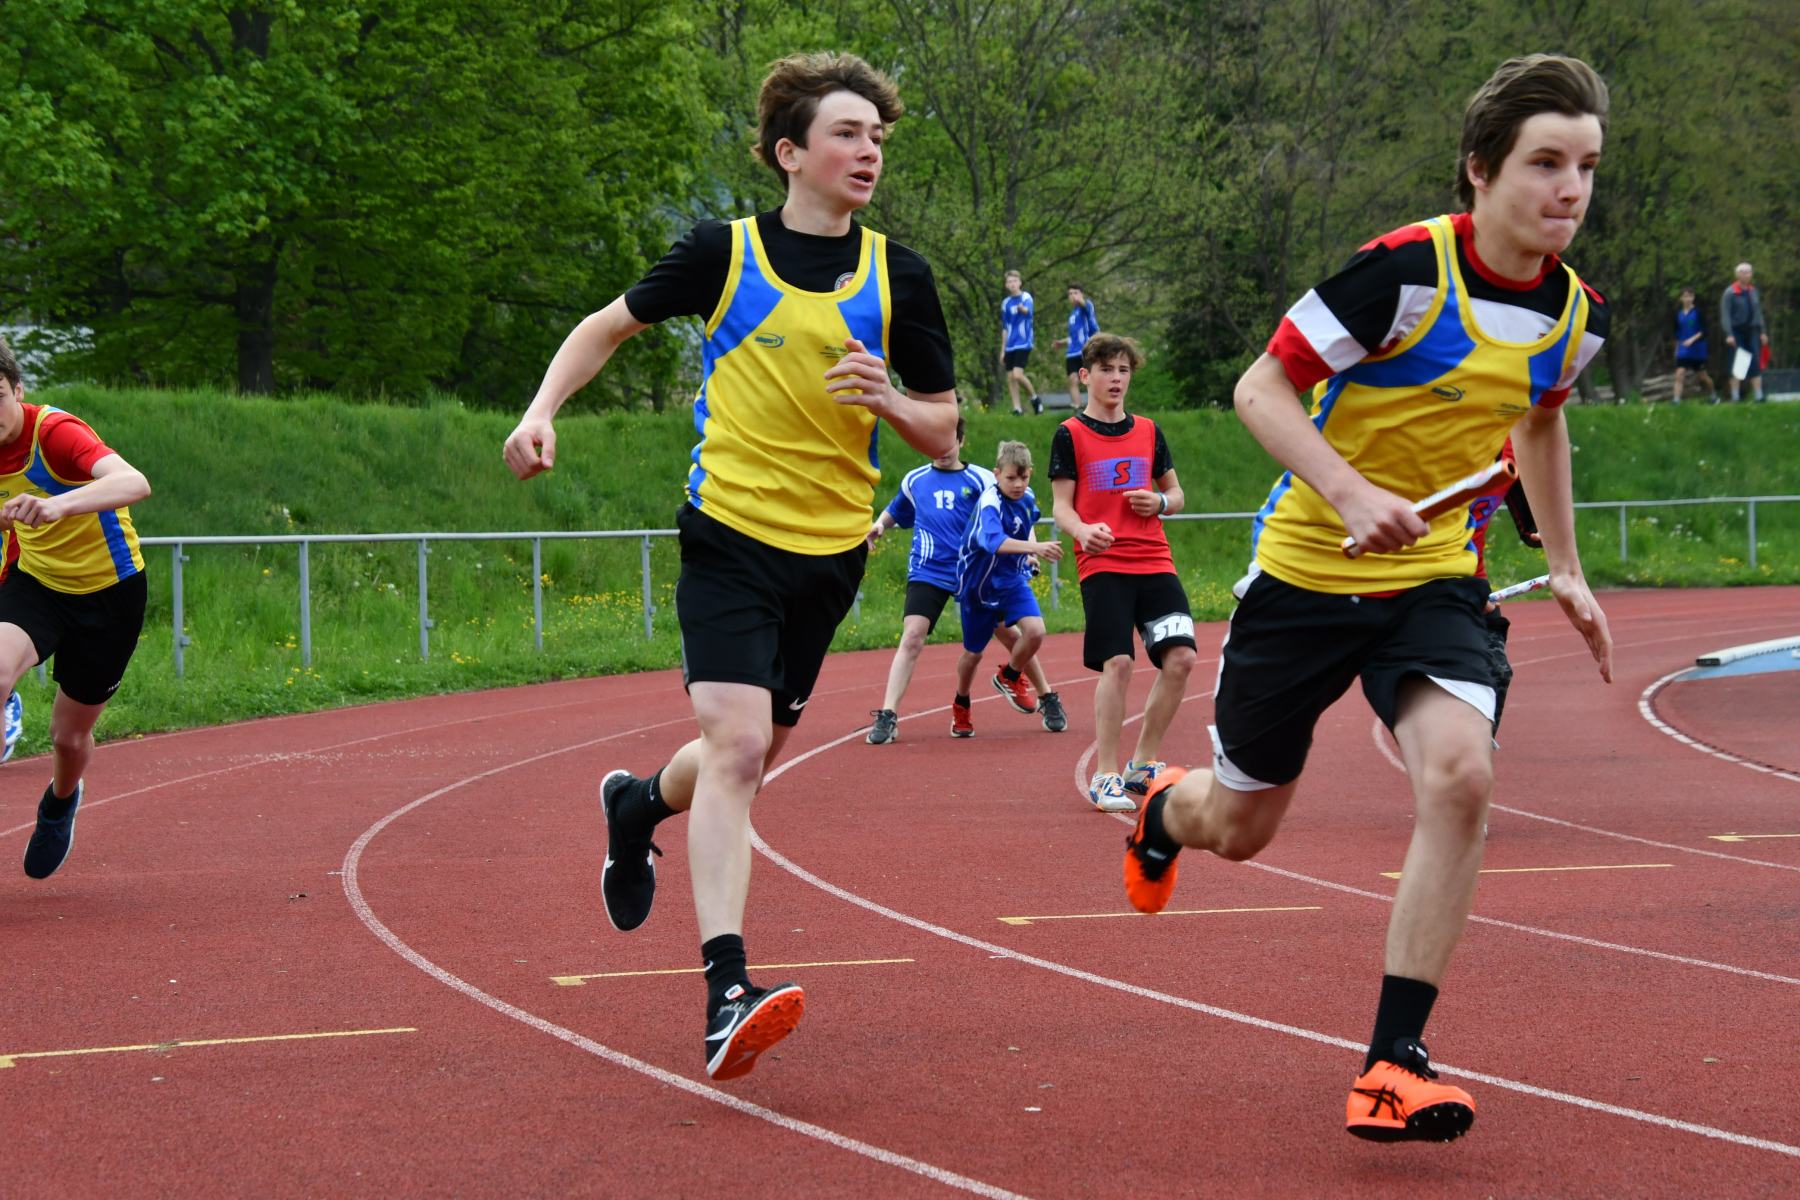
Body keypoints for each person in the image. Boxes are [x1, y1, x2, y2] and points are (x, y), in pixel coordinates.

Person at [1119, 54, 1616, 1144]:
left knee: (1462, 775)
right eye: (1546, 163)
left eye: (1586, 166)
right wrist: (1348, 490)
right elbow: (1261, 387)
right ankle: (1163, 810)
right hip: (1306, 575)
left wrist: (1567, 564)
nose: (1570, 189)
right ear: (1480, 170)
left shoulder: (1575, 315)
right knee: (1240, 828)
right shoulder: (1400, 274)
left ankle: (1394, 1063)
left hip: (1436, 581)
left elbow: (1540, 419)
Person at [501, 52, 958, 1083]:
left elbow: (944, 432)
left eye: (878, 137)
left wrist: (889, 400)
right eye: (847, 133)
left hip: (831, 553)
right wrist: (540, 412)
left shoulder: (901, 276)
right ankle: (726, 992)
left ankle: (634, 809)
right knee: (740, 747)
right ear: (790, 152)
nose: (869, 151)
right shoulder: (724, 254)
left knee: (749, 754)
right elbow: (607, 327)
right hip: (729, 537)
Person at [0, 336, 153, 881]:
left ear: (18, 390)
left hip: (110, 592)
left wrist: (56, 506)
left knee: (67, 738)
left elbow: (134, 482)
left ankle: (59, 803)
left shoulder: (54, 431)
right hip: (36, 585)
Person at [1049, 333, 1195, 813]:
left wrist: (1161, 501)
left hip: (1154, 558)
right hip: (1103, 561)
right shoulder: (1069, 433)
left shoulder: (1149, 431)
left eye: (1124, 370)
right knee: (1119, 663)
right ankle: (1106, 774)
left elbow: (1177, 495)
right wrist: (1081, 530)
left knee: (1181, 659)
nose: (1116, 378)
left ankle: (1142, 765)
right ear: (1085, 375)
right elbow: (1061, 507)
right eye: (1106, 369)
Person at [865, 419, 1066, 743]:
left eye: (948, 441)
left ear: (961, 441)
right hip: (930, 570)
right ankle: (888, 715)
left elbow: (1019, 515)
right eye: (935, 442)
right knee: (913, 636)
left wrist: (1030, 550)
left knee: (1012, 635)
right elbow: (896, 509)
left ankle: (1044, 695)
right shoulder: (915, 479)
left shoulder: (985, 480)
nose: (942, 449)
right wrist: (879, 525)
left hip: (976, 572)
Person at [949, 441, 1062, 736]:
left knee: (1035, 632)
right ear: (997, 474)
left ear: (1030, 473)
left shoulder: (1028, 496)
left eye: (1023, 478)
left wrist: (1030, 552)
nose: (1018, 484)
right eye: (1011, 478)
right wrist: (1035, 547)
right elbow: (995, 542)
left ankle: (1009, 675)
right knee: (973, 654)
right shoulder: (990, 502)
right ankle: (961, 702)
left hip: (1011, 579)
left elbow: (1027, 523)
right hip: (979, 586)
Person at [1720, 263, 1768, 402]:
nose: (1747, 275)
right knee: (1737, 363)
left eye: (1749, 272)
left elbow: (1758, 313)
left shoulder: (1753, 291)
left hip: (1752, 330)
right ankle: (1735, 397)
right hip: (1736, 331)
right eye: (1743, 272)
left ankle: (1758, 396)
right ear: (1737, 275)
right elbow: (1725, 315)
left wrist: (1762, 332)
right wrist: (1729, 334)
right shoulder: (1730, 292)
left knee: (1755, 361)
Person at [1051, 286, 1100, 409]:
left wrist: (1080, 300)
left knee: (1090, 378)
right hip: (1072, 352)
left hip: (1086, 350)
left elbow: (1085, 306)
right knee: (1073, 379)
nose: (1073, 296)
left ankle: (1096, 406)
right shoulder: (1072, 314)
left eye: (1076, 293)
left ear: (1082, 294)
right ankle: (1076, 407)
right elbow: (1074, 336)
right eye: (1070, 294)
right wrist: (1062, 343)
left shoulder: (1086, 307)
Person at [1000, 270, 1041, 416]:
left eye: (1014, 281)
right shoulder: (1005, 303)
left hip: (1023, 342)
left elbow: (1028, 312)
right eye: (1009, 282)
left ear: (1020, 283)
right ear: (1006, 285)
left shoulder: (1026, 297)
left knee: (1018, 374)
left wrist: (1022, 309)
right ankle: (1017, 409)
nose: (1012, 284)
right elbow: (1005, 328)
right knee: (1011, 377)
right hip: (1010, 344)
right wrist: (1003, 350)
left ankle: (1035, 399)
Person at [1671, 288, 1714, 404]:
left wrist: (1691, 340)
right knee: (1679, 374)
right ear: (1681, 298)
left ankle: (1713, 396)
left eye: (1690, 296)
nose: (1688, 299)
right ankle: (1676, 400)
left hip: (1697, 349)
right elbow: (1677, 334)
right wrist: (1677, 349)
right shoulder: (1679, 315)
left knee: (1703, 376)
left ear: (1693, 297)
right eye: (1686, 296)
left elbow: (1704, 331)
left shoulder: (1698, 312)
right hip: (1683, 349)